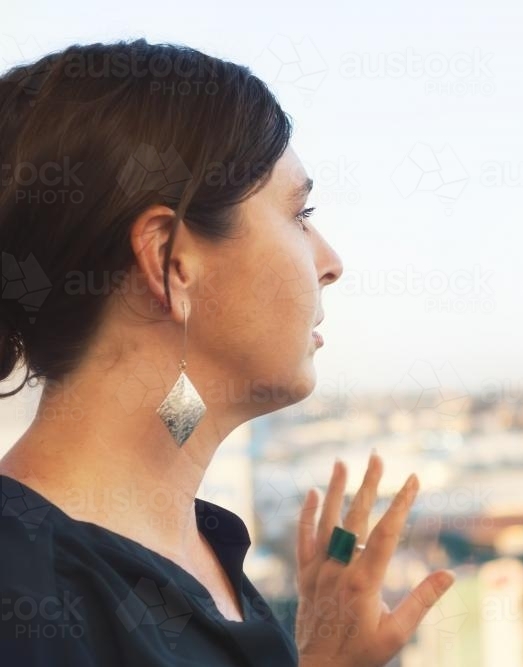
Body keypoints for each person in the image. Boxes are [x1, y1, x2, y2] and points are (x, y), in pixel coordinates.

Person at [0, 39, 454, 665]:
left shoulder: (199, 548)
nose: (331, 263)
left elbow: (168, 413)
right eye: (300, 214)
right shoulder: (27, 603)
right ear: (172, 263)